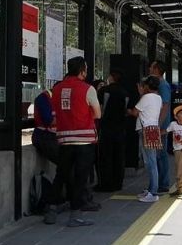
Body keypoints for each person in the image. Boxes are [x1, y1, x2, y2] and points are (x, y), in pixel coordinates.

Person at [46, 57, 102, 227]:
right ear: (82, 70)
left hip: (63, 139)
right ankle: (75, 215)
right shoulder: (88, 89)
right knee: (80, 178)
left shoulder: (56, 89)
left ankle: (51, 210)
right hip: (84, 140)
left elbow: (55, 115)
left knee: (61, 175)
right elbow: (98, 114)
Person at [130, 75, 163, 203]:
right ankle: (151, 189)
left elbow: (135, 112)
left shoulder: (146, 97)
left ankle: (153, 192)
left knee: (150, 162)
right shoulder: (158, 98)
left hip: (145, 131)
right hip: (153, 129)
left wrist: (140, 94)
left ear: (147, 86)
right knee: (151, 161)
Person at [94, 68, 129, 192]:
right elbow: (125, 110)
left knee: (105, 156)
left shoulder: (104, 91)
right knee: (119, 156)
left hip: (107, 127)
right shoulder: (125, 92)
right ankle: (117, 183)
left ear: (111, 77)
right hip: (120, 128)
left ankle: (105, 183)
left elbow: (99, 110)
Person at [149, 61, 173, 194]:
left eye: (151, 67)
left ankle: (163, 184)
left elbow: (165, 105)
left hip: (161, 126)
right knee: (159, 154)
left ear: (157, 69)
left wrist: (158, 123)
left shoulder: (162, 85)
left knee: (160, 154)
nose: (149, 68)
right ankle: (159, 183)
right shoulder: (161, 84)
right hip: (160, 124)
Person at [32, 87, 58, 165]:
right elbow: (49, 120)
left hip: (55, 136)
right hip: (44, 136)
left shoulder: (57, 99)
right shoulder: (43, 99)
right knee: (65, 161)